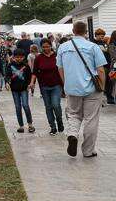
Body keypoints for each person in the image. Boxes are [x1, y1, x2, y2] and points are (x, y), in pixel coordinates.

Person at [57, 21, 107, 158]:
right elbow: (100, 70)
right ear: (86, 32)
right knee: (91, 119)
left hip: (72, 87)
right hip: (91, 88)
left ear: (73, 30)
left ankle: (72, 134)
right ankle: (88, 150)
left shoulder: (62, 47)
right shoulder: (93, 47)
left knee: (73, 114)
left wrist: (66, 84)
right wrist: (102, 87)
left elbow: (60, 69)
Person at [29, 38, 64, 135]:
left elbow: (63, 69)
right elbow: (34, 72)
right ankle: (52, 127)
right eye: (43, 47)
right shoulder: (39, 58)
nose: (46, 48)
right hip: (44, 86)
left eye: (47, 46)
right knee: (48, 107)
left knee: (56, 105)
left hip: (56, 84)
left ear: (51, 46)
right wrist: (32, 83)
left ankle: (59, 121)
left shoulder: (57, 56)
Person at [8, 49, 34, 133]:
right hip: (14, 89)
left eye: (21, 57)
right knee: (17, 107)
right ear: (14, 57)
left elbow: (29, 76)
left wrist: (30, 84)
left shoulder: (26, 66)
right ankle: (21, 125)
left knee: (25, 105)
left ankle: (30, 124)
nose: (19, 59)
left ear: (23, 57)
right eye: (17, 57)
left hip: (24, 88)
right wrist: (7, 82)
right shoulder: (10, 65)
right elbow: (7, 75)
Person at [93, 28, 114, 104]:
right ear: (96, 35)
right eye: (101, 36)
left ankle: (110, 98)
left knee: (110, 83)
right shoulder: (93, 43)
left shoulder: (103, 43)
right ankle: (102, 99)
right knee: (102, 83)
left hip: (108, 64)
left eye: (103, 36)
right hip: (101, 65)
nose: (102, 38)